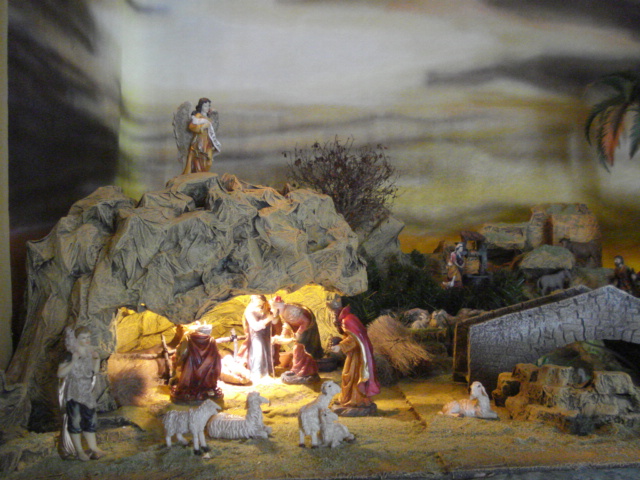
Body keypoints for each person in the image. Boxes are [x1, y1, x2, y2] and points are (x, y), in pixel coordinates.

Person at [57, 326, 106, 461]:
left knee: (90, 419)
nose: (87, 340)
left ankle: (93, 447)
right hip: (74, 392)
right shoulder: (70, 354)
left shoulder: (89, 352)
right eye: (83, 338)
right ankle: (79, 450)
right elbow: (60, 373)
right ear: (76, 339)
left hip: (87, 392)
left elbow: (94, 372)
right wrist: (73, 360)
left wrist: (96, 360)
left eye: (88, 337)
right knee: (75, 421)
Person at [328, 298, 380, 412]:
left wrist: (341, 346)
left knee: (353, 376)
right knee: (347, 375)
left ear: (338, 310)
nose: (332, 316)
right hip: (354, 353)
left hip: (358, 356)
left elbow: (354, 339)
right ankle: (347, 398)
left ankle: (356, 400)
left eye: (333, 313)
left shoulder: (347, 320)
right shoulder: (347, 318)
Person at [270, 296, 322, 383]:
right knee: (297, 350)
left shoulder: (291, 310)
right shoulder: (283, 312)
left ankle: (305, 371)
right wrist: (283, 335)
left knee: (301, 350)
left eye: (274, 308)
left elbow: (305, 321)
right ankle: (297, 370)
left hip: (306, 330)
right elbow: (287, 323)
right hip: (301, 331)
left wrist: (299, 333)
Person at [170, 323, 223, 402]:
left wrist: (178, 361)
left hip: (191, 367)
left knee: (186, 381)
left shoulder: (188, 338)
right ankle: (207, 389)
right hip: (208, 369)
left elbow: (183, 353)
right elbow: (217, 356)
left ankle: (188, 391)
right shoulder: (211, 340)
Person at [241, 295, 278, 381]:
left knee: (269, 353)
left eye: (261, 303)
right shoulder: (249, 311)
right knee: (259, 352)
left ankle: (267, 372)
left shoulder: (266, 308)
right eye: (257, 300)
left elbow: (274, 321)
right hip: (257, 335)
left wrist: (275, 312)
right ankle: (257, 373)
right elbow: (255, 327)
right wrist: (268, 319)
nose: (260, 304)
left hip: (266, 335)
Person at [182, 97, 221, 174]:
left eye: (208, 106)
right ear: (201, 106)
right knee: (200, 159)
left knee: (209, 160)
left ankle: (204, 173)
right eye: (205, 106)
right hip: (199, 142)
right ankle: (199, 175)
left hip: (208, 142)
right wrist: (202, 127)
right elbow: (191, 126)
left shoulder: (207, 117)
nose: (207, 108)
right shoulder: (197, 116)